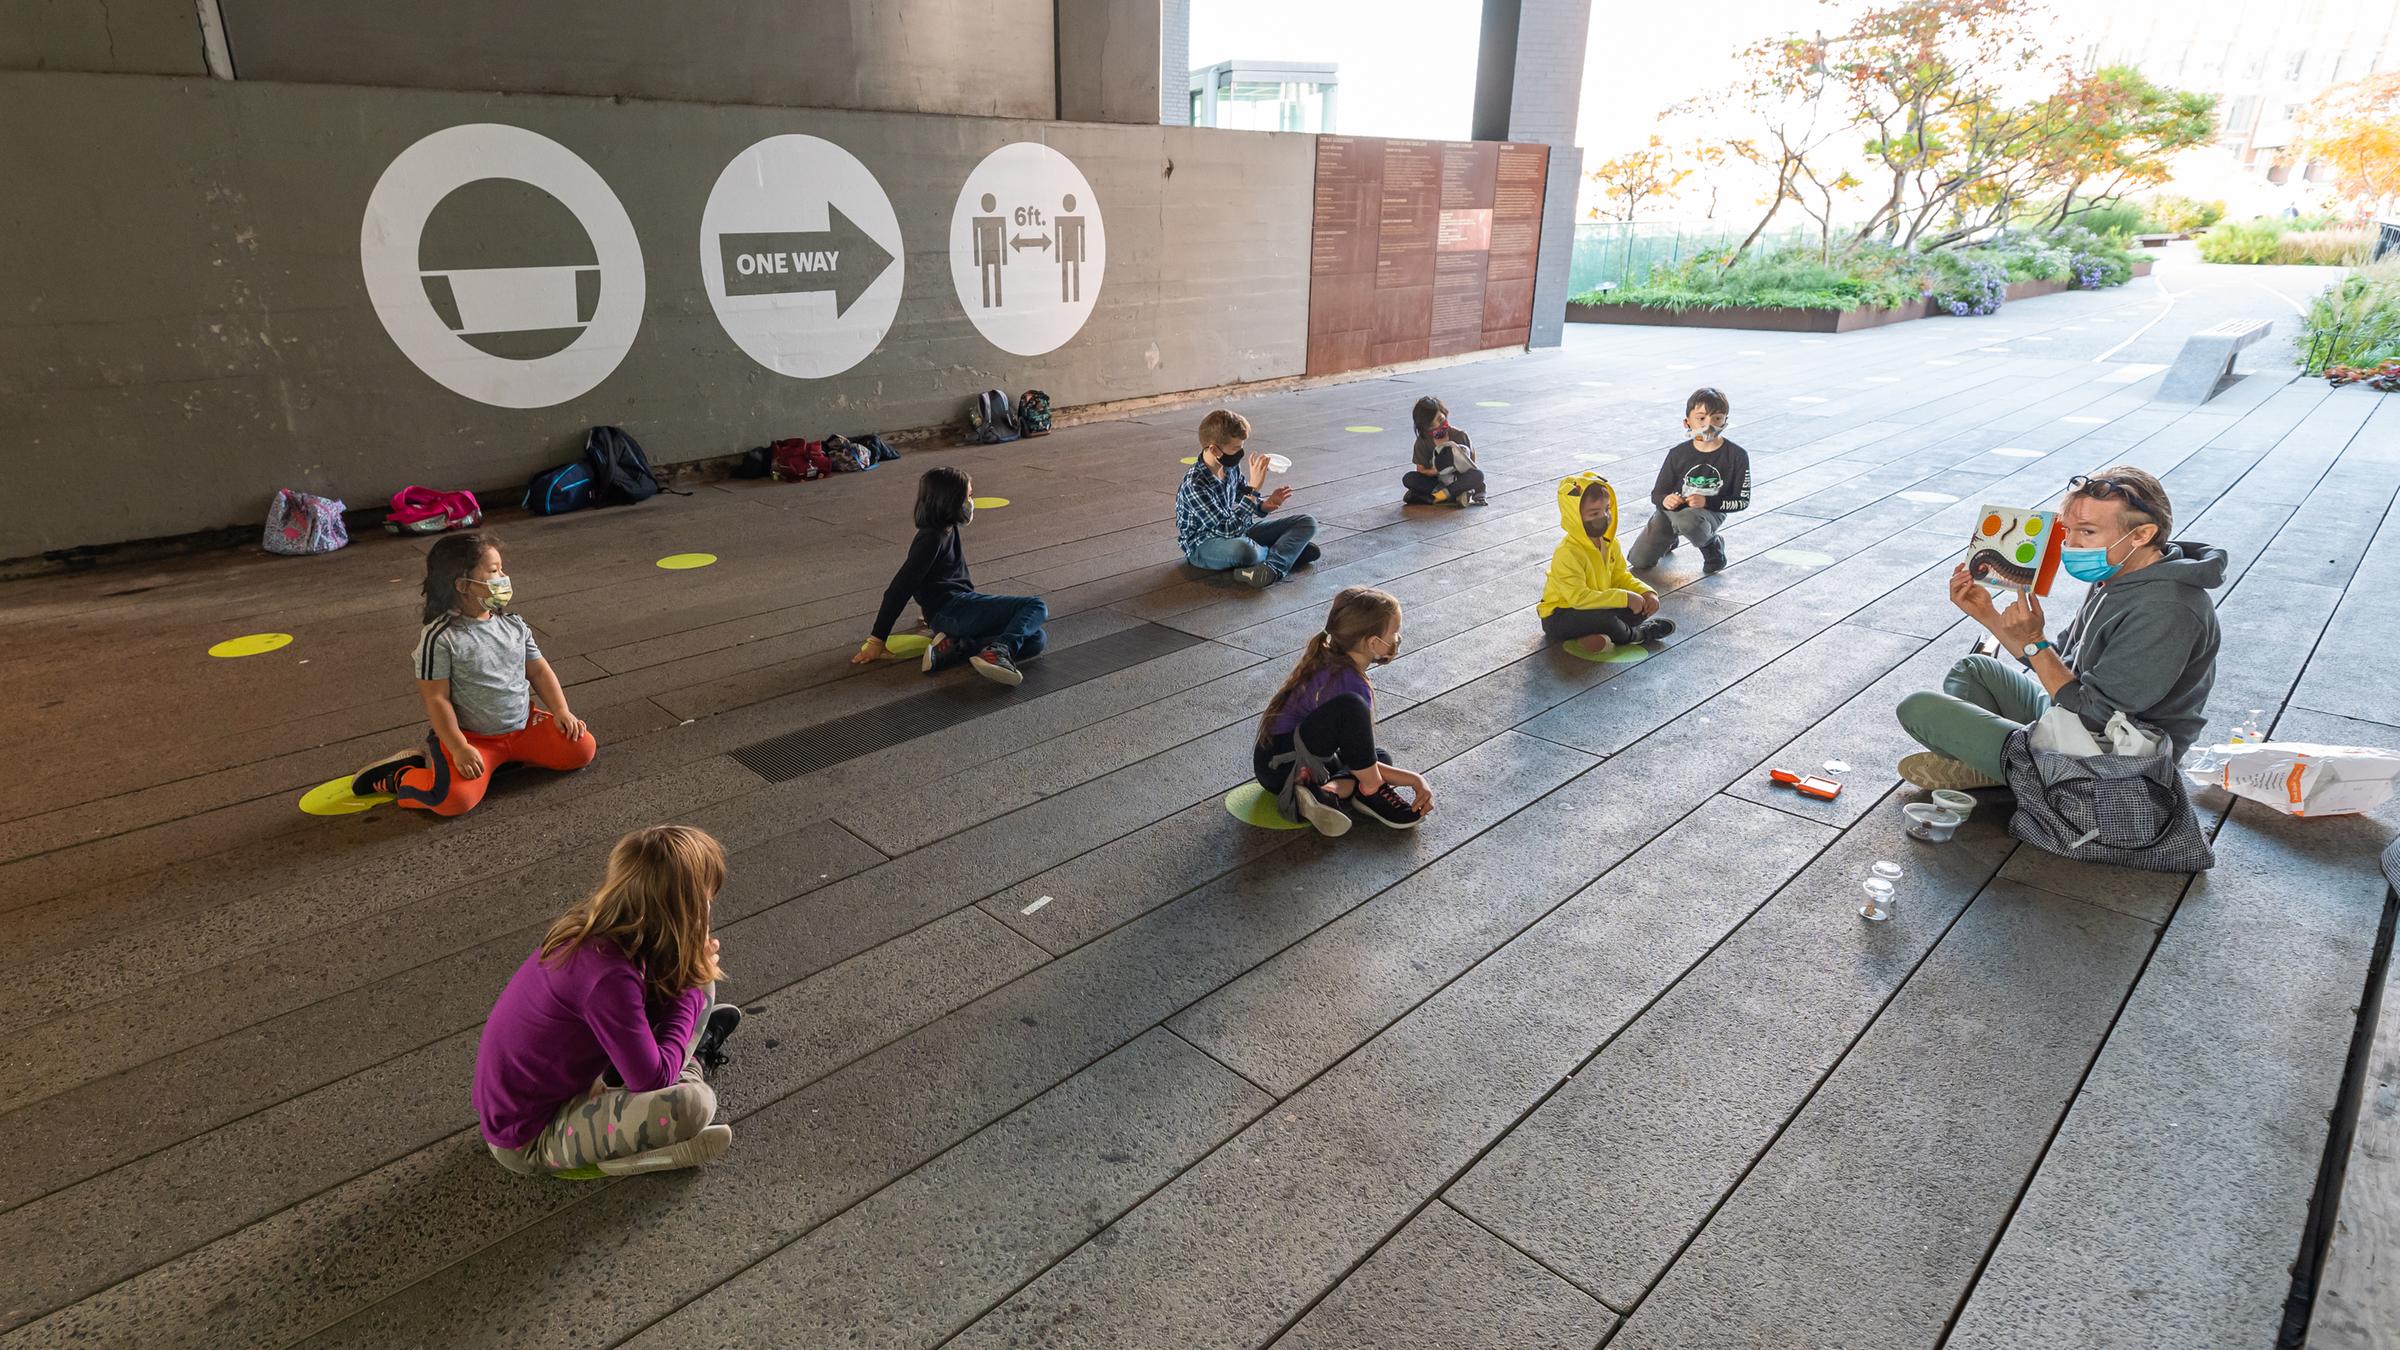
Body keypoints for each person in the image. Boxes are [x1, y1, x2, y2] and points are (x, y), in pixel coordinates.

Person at [1897, 466, 2226, 789]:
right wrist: (1987, 615)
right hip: (2077, 718)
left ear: (2141, 534)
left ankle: (2026, 776)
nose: (2071, 543)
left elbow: (2095, 715)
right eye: (2067, 530)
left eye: (2087, 531)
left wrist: (2035, 641)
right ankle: (2011, 767)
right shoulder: (2118, 575)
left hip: (2119, 759)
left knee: (1918, 708)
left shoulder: (2167, 608)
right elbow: (2062, 667)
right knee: (1975, 669)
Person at [474, 825, 744, 1178]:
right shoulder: (605, 977)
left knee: (694, 983)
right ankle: (691, 1063)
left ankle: (664, 1059)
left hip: (546, 1094)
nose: (709, 910)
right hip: (528, 1137)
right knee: (696, 1104)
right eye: (706, 901)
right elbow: (654, 1081)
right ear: (681, 913)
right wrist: (690, 984)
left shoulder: (601, 930)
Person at [348, 531, 597, 815]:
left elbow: (539, 671)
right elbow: (436, 699)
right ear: (463, 584)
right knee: (452, 800)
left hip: (523, 726)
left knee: (581, 748)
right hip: (472, 740)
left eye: (502, 568)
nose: (504, 577)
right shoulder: (440, 637)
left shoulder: (514, 625)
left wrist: (562, 711)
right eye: (494, 570)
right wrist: (458, 747)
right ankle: (404, 774)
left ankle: (508, 759)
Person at [1254, 587, 1434, 835]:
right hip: (1285, 768)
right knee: (1354, 712)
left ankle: (1327, 794)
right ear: (1373, 643)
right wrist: (1413, 779)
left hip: (1276, 764)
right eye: (1394, 633)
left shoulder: (1331, 661)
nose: (1397, 638)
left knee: (1377, 756)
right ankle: (1370, 789)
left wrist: (1411, 778)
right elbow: (1359, 758)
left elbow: (1359, 756)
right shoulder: (1349, 682)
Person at [853, 467, 1047, 686]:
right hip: (953, 610)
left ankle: (957, 648)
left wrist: (929, 609)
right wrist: (877, 640)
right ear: (949, 500)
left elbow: (933, 578)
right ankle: (996, 651)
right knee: (1035, 607)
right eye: (968, 496)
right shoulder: (932, 538)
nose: (971, 502)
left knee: (1036, 638)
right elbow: (900, 587)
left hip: (953, 611)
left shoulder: (947, 528)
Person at [1538, 471, 1676, 659]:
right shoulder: (1568, 552)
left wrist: (1645, 592)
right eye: (1594, 513)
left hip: (1596, 605)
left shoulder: (1610, 543)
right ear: (1575, 517)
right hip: (1561, 614)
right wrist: (1624, 597)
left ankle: (1590, 637)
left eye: (1607, 509)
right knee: (1604, 618)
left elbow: (1620, 576)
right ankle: (1637, 635)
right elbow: (1578, 598)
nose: (1604, 516)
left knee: (1639, 607)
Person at [1177, 408, 1321, 588]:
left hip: (1240, 530)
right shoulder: (1195, 485)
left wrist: (1264, 506)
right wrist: (1254, 489)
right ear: (1214, 449)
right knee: (1246, 551)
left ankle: (1274, 563)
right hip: (1204, 545)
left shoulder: (1229, 467)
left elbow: (1243, 498)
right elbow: (1227, 530)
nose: (1240, 453)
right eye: (1236, 448)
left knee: (1307, 522)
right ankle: (1285, 554)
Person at [1629, 387, 1751, 574]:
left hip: (1709, 512)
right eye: (1701, 418)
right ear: (1687, 422)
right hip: (1672, 512)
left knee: (1688, 520)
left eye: (1717, 418)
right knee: (1639, 560)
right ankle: (1669, 538)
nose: (1708, 424)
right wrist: (1665, 499)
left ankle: (1712, 547)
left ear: (1725, 420)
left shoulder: (1737, 455)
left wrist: (1708, 501)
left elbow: (1742, 501)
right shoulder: (1678, 453)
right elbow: (1657, 493)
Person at [1402, 396, 1487, 507]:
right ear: (1424, 428)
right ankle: (1452, 495)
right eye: (1432, 426)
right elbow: (1421, 470)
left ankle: (1436, 497)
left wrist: (1455, 464)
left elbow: (1472, 465)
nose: (1438, 426)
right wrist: (1438, 470)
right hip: (1437, 482)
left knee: (1478, 475)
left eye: (1441, 420)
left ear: (1445, 413)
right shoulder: (1423, 441)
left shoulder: (1460, 435)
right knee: (1409, 478)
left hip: (1458, 479)